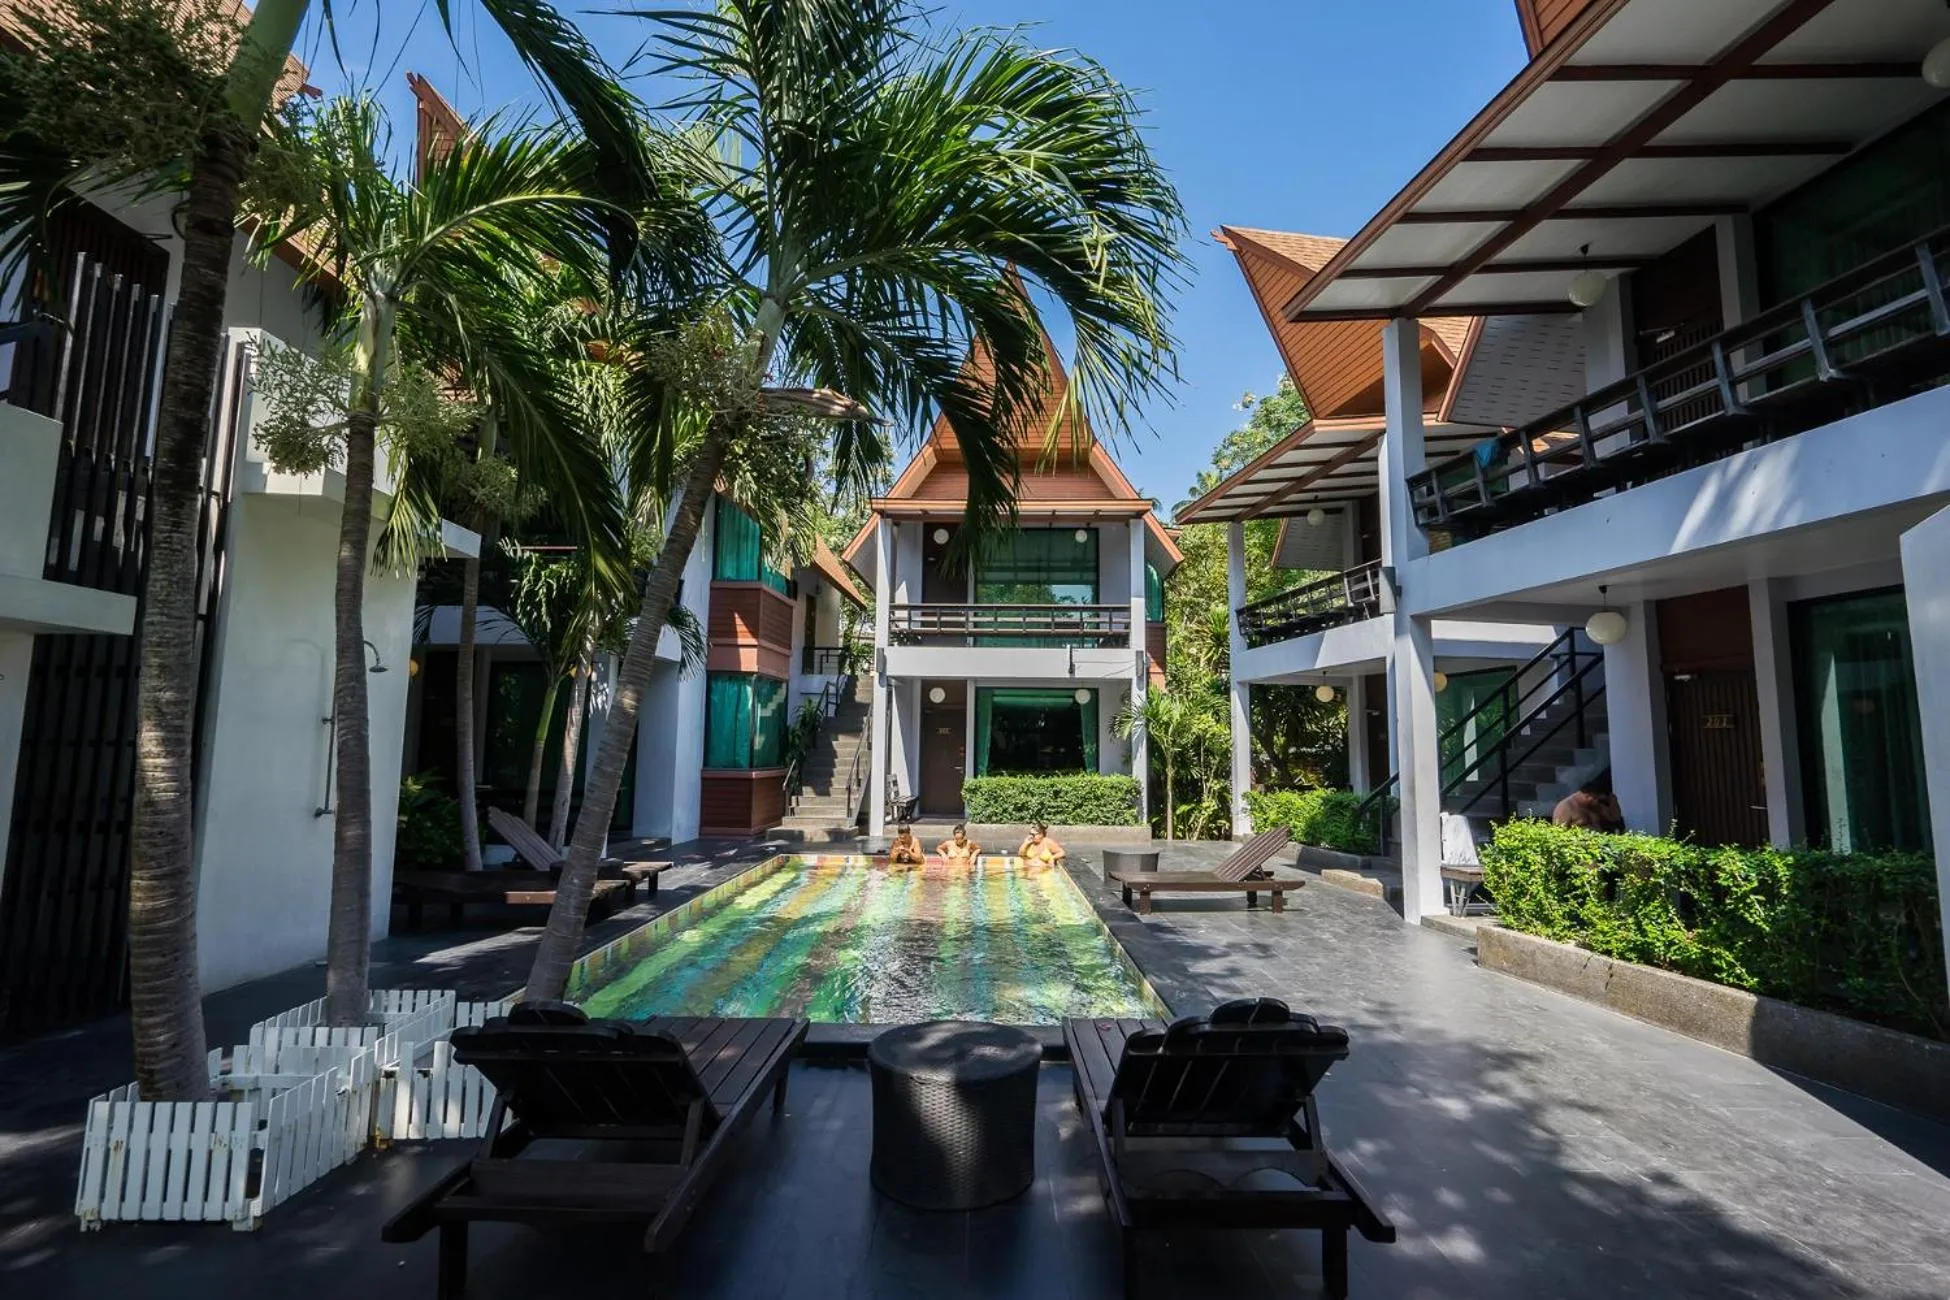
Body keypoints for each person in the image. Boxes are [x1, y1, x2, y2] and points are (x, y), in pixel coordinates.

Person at [1552, 786, 1624, 833]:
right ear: (1587, 796)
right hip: (1579, 847)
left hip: (1599, 844)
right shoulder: (1566, 806)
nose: (1596, 802)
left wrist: (1613, 800)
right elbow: (1558, 831)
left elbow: (1614, 817)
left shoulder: (1594, 805)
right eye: (1595, 799)